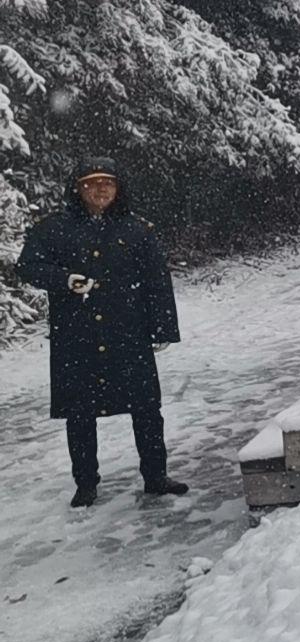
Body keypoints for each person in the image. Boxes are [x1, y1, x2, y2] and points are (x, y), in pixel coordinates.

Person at [19, 159, 186, 507]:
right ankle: (86, 483)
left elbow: (157, 280)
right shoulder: (54, 228)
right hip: (76, 336)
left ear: (118, 188)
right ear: (78, 188)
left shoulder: (138, 229)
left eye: (108, 182)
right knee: (80, 414)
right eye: (92, 183)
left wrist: (162, 327)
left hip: (129, 333)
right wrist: (64, 279)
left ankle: (155, 477)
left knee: (146, 408)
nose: (101, 189)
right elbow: (28, 265)